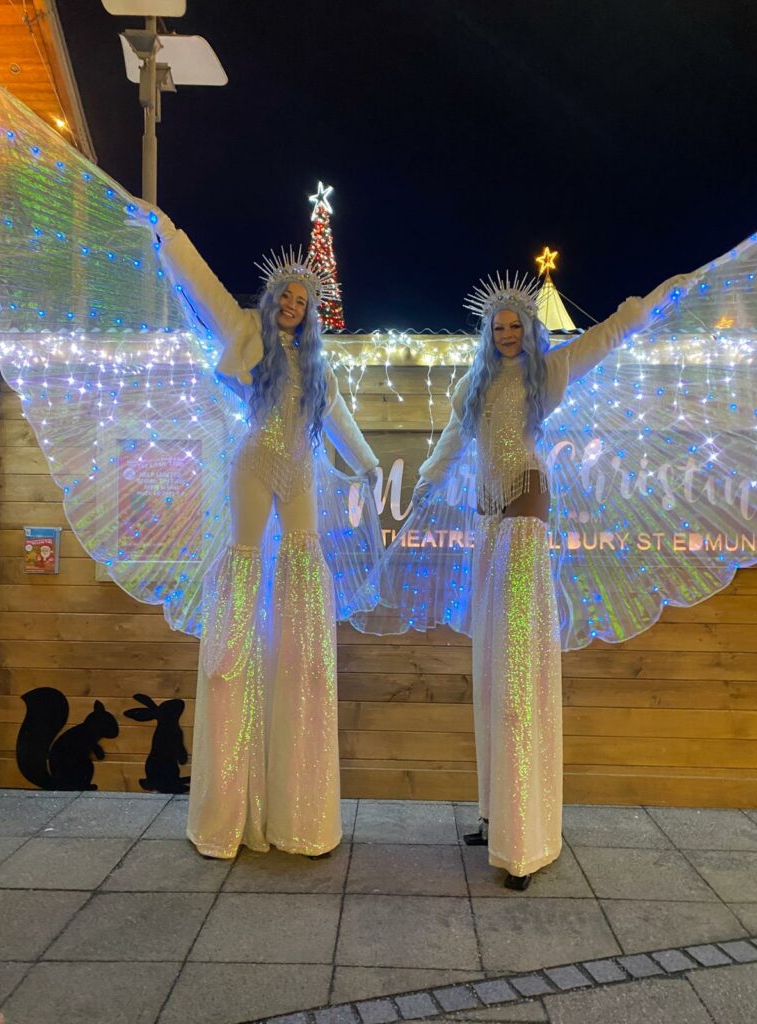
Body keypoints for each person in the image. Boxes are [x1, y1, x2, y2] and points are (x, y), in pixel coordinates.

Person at [410, 271, 689, 889]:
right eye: (499, 328)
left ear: (528, 329)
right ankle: (496, 815)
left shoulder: (548, 371)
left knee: (517, 662)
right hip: (488, 519)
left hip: (525, 502)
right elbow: (453, 440)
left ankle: (524, 838)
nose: (508, 335)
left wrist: (645, 304)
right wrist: (426, 482)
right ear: (488, 333)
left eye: (516, 326)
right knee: (491, 661)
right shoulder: (473, 384)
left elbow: (604, 338)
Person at [148, 217, 380, 859]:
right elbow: (202, 288)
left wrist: (367, 464)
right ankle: (235, 656)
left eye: (303, 301)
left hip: (299, 471)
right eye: (287, 296)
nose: (293, 306)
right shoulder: (247, 332)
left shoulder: (317, 367)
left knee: (303, 565)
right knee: (245, 563)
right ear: (274, 297)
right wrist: (169, 235)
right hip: (253, 464)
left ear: (310, 312)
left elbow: (339, 420)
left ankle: (296, 680)